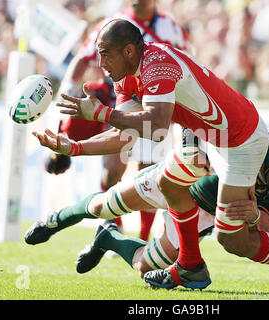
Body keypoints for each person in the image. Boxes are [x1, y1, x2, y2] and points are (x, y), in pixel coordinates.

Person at [33, 19, 269, 290]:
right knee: (150, 217)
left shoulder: (156, 64)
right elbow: (123, 137)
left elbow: (156, 128)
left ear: (129, 52)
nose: (100, 63)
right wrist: (74, 147)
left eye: (105, 53)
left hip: (239, 141)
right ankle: (189, 264)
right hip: (205, 141)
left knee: (232, 239)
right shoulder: (126, 78)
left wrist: (101, 113)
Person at [25, 131, 269, 297]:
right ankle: (56, 219)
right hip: (180, 180)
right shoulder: (249, 143)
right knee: (103, 205)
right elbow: (199, 124)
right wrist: (192, 150)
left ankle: (108, 238)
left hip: (204, 214)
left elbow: (264, 226)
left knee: (145, 267)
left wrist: (251, 217)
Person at [48, 0, 190, 241]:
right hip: (120, 99)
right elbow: (83, 57)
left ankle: (143, 238)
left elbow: (185, 59)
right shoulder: (111, 25)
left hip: (156, 102)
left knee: (148, 172)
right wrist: (69, 87)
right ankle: (112, 228)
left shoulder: (171, 27)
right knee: (111, 172)